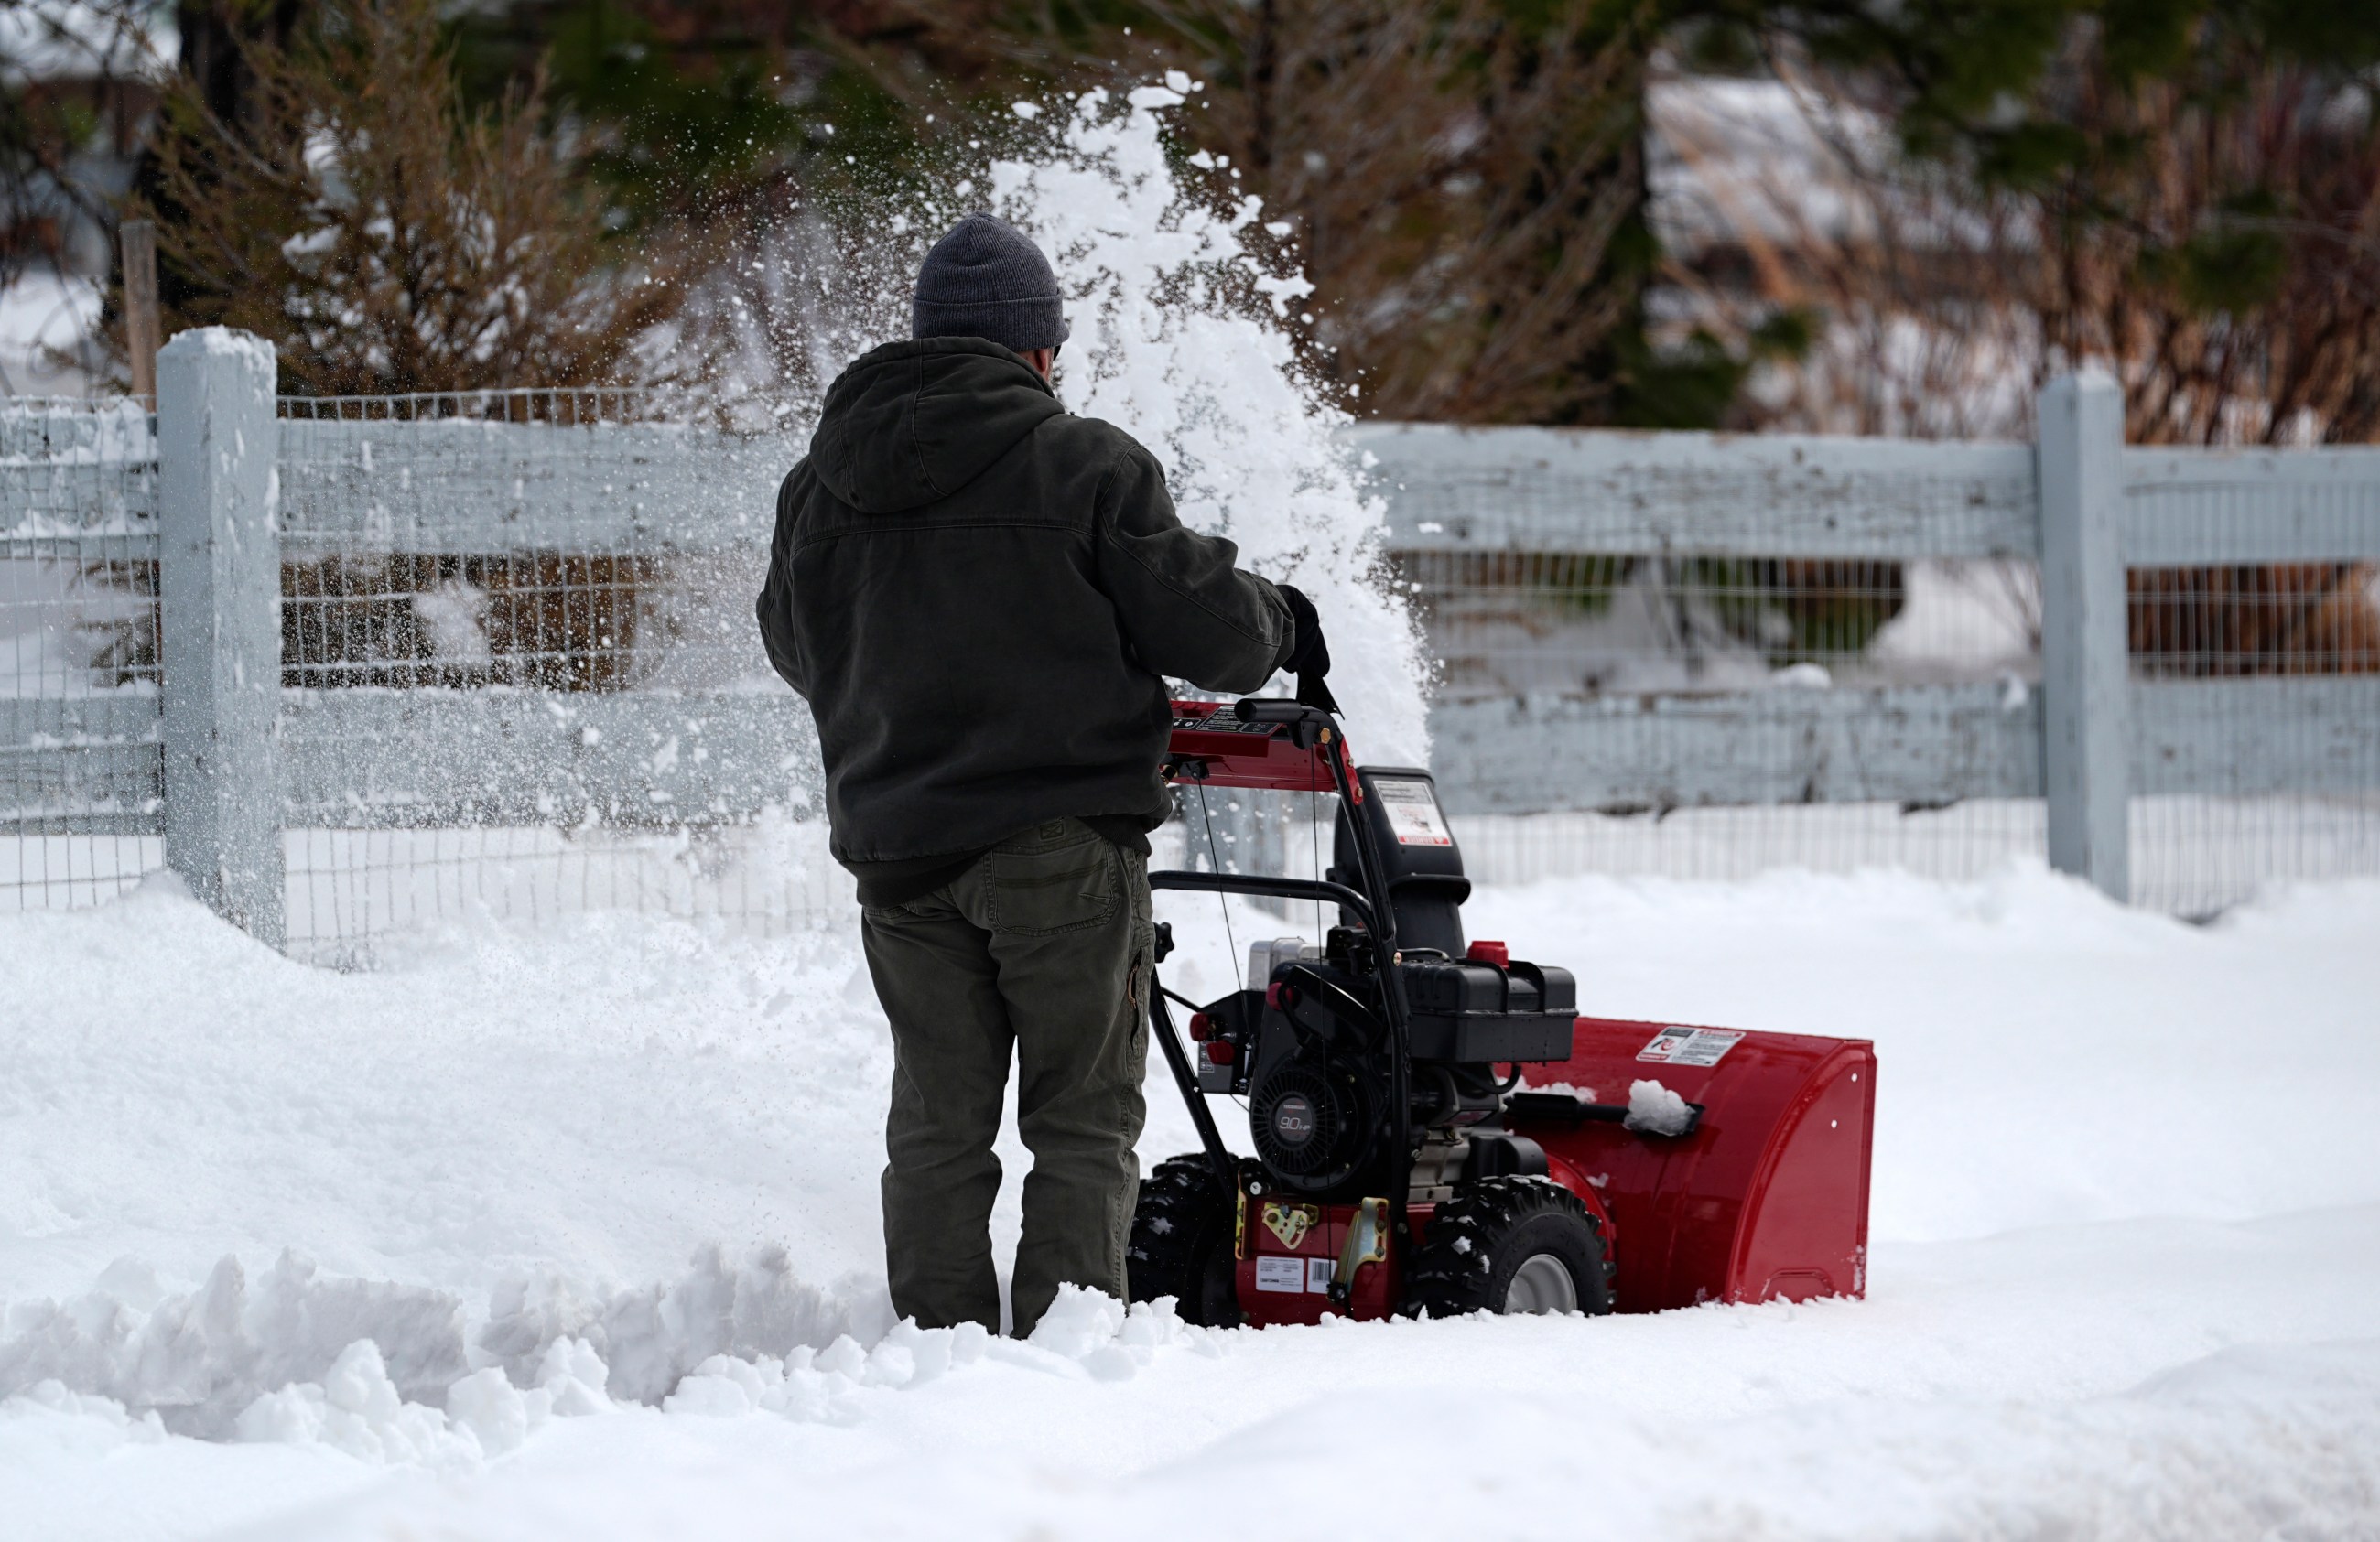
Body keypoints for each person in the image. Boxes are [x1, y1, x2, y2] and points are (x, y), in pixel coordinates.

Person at [756, 212, 1330, 1336]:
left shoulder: (815, 487)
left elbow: (793, 644)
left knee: (935, 1122)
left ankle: (934, 1348)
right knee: (1079, 1120)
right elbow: (1207, 628)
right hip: (1059, 848)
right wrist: (1282, 621)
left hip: (900, 855)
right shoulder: (1080, 463)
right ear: (1034, 349)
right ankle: (1061, 1359)